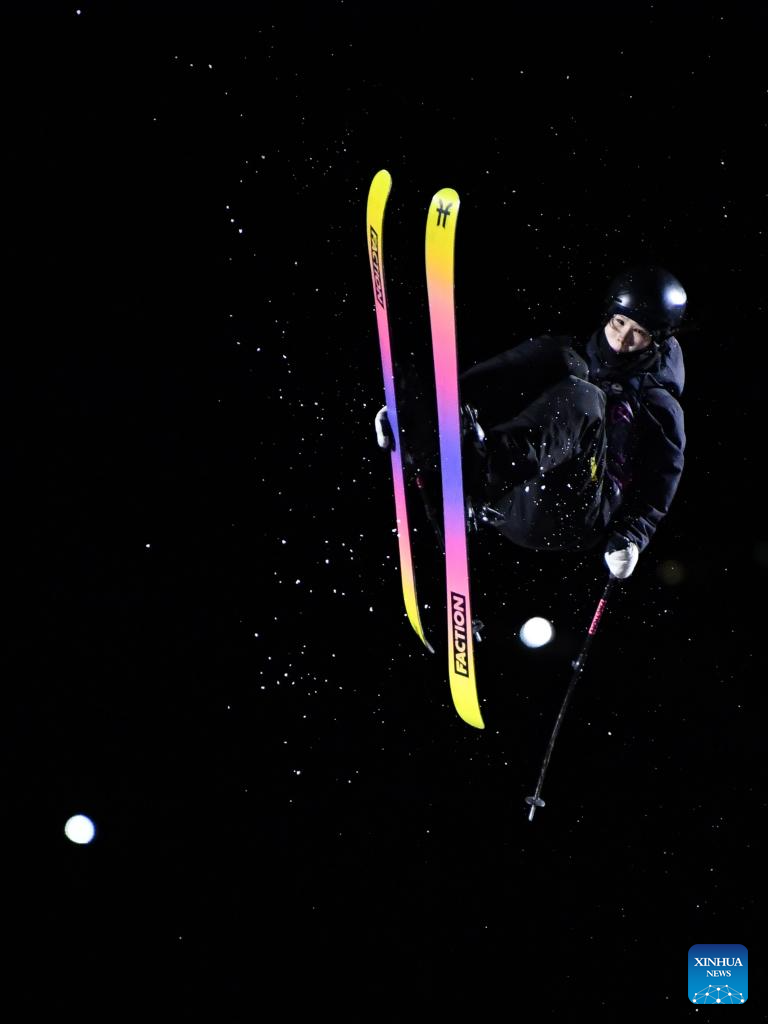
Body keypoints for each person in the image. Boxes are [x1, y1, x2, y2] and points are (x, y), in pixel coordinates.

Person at [374, 265, 687, 580]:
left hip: (576, 512)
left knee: (585, 396)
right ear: (608, 315)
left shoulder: (658, 403)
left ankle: (481, 469)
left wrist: (632, 537)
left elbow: (659, 483)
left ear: (656, 340)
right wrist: (414, 417)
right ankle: (440, 433)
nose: (622, 339)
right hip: (510, 498)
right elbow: (494, 379)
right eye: (619, 322)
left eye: (638, 333)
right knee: (559, 359)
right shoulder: (568, 352)